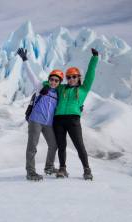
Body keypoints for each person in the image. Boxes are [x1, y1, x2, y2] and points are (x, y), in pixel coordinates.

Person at [17, 48, 63, 181]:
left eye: (56, 80)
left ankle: (49, 167)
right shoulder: (41, 87)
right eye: (52, 79)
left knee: (53, 145)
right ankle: (30, 172)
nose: (53, 82)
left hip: (48, 123)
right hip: (35, 120)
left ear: (59, 82)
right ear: (49, 80)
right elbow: (31, 74)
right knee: (32, 146)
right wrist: (25, 60)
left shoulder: (58, 94)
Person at [53, 48, 99, 180]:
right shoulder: (61, 88)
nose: (71, 79)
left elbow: (91, 74)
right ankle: (62, 168)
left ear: (78, 78)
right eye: (68, 77)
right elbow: (49, 83)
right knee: (61, 146)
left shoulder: (83, 89)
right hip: (59, 120)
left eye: (74, 77)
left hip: (73, 120)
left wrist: (94, 58)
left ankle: (87, 169)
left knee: (79, 145)